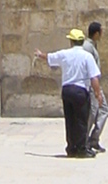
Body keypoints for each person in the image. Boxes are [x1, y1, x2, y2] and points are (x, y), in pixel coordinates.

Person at [33, 27, 104, 157]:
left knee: (70, 120)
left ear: (71, 41)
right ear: (82, 41)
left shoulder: (65, 54)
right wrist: (98, 94)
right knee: (81, 120)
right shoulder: (87, 56)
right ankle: (81, 149)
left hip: (67, 90)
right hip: (80, 91)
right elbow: (94, 77)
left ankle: (71, 148)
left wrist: (39, 54)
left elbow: (49, 57)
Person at [82, 21, 108, 152]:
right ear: (96, 33)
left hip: (96, 84)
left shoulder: (93, 46)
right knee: (92, 113)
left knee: (103, 110)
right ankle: (85, 140)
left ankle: (94, 139)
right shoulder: (87, 47)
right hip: (92, 85)